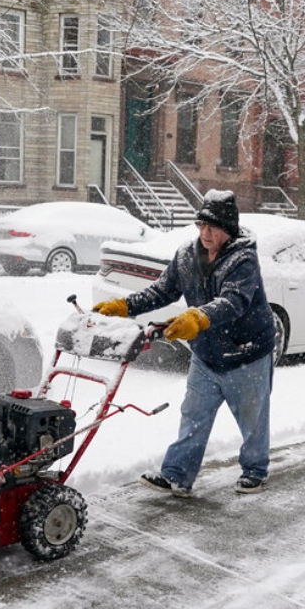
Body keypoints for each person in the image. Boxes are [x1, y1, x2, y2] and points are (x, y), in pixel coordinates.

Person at [92, 190, 275, 496]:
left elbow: (234, 302)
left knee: (253, 419)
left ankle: (255, 470)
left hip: (248, 353)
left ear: (227, 230)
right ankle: (177, 475)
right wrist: (124, 305)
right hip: (206, 355)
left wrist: (199, 318)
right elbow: (161, 291)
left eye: (212, 227)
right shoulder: (187, 256)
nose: (205, 233)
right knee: (194, 415)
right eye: (201, 225)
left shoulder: (243, 260)